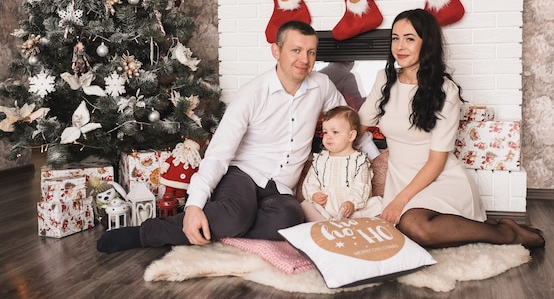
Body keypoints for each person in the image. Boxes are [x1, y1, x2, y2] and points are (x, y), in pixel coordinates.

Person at [97, 20, 379, 253]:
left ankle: (229, 225)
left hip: (280, 186)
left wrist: (375, 157)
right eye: (295, 50)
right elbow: (218, 153)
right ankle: (147, 233)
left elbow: (349, 122)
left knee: (289, 219)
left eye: (311, 53)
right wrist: (194, 205)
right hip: (242, 174)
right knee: (235, 215)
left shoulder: (322, 86)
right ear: (276, 51)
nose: (304, 60)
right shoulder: (251, 94)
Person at [358, 8, 545, 249]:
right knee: (408, 227)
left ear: (427, 44)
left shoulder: (445, 91)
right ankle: (494, 228)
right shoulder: (384, 80)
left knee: (414, 226)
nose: (400, 46)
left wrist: (400, 200)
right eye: (395, 38)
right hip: (401, 178)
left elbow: (437, 160)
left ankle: (505, 233)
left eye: (410, 38)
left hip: (440, 178)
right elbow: (358, 125)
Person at [301, 106, 382, 221]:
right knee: (305, 206)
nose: (328, 136)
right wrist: (314, 194)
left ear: (351, 136)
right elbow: (310, 182)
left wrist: (351, 202)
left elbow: (362, 186)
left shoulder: (359, 161)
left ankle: (348, 224)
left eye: (335, 132)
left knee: (378, 205)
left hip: (352, 209)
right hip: (326, 207)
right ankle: (326, 225)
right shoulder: (320, 159)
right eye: (325, 132)